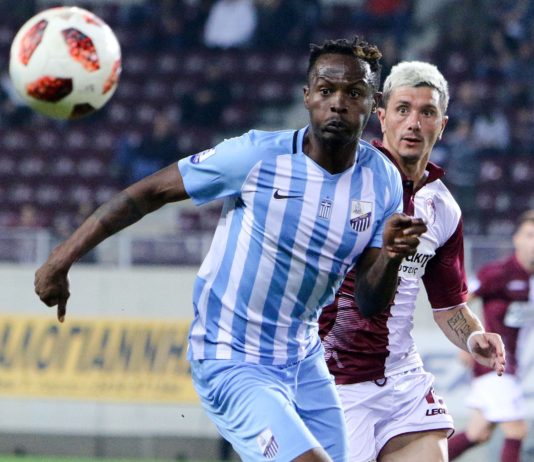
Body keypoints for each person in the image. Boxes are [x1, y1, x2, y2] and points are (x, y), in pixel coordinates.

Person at [34, 37, 427, 462]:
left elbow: (369, 302)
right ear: (307, 96)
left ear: (374, 104)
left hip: (303, 360)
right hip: (231, 357)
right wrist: (62, 258)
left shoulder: (382, 180)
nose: (337, 103)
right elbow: (147, 193)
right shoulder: (257, 156)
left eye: (354, 93)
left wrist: (391, 256)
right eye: (326, 90)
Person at [319, 61, 506, 462]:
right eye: (403, 109)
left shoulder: (443, 208)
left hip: (401, 378)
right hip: (333, 380)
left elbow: (449, 306)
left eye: (427, 112)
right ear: (381, 115)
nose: (414, 123)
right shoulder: (343, 178)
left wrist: (473, 337)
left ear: (442, 124)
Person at [448, 210, 534, 462]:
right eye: (529, 235)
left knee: (478, 433)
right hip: (493, 364)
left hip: (513, 366)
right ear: (516, 239)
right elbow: (460, 301)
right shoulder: (499, 273)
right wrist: (465, 340)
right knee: (516, 430)